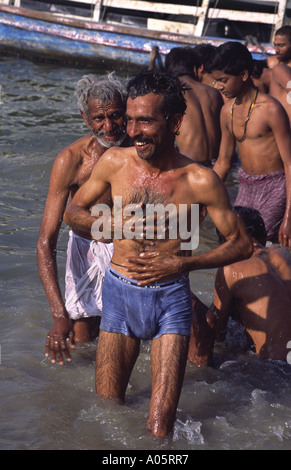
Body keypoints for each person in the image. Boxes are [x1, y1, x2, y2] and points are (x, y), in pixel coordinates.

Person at [64, 69, 252, 437]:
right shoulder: (115, 163)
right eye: (131, 120)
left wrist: (185, 262)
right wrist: (114, 227)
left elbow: (241, 243)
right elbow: (74, 213)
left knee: (159, 428)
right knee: (105, 414)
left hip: (171, 301)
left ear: (176, 121)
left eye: (145, 121)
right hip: (118, 294)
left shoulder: (200, 180)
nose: (133, 131)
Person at [37, 73, 128, 366]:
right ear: (85, 119)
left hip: (129, 252)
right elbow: (45, 242)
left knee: (129, 342)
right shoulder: (71, 159)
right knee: (84, 349)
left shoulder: (140, 152)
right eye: (99, 118)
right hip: (85, 252)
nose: (109, 126)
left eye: (116, 116)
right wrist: (58, 314)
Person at [210, 41, 291, 247]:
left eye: (223, 80)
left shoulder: (271, 109)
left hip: (276, 186)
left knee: (252, 244)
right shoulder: (226, 112)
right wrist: (201, 201)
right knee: (232, 241)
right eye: (216, 80)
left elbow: (290, 164)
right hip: (246, 186)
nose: (219, 86)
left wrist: (288, 215)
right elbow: (223, 163)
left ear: (244, 75)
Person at [188, 206, 291, 364]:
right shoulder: (284, 253)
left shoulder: (230, 269)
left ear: (226, 243)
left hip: (275, 368)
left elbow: (216, 332)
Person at [165, 46, 223, 165]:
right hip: (216, 165)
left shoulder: (173, 93)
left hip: (190, 166)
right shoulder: (214, 93)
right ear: (195, 69)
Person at [269, 26, 291, 127]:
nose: (276, 49)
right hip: (275, 127)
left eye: (281, 45)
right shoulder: (270, 63)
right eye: (275, 45)